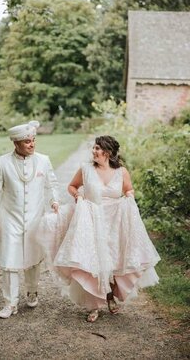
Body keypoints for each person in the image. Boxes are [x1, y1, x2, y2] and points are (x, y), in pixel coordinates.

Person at [36, 136, 160, 322]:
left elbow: (128, 190)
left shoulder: (121, 172)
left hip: (115, 220)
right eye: (93, 148)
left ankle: (110, 299)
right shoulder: (86, 170)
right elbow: (71, 186)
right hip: (92, 218)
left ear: (107, 152)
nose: (93, 151)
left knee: (113, 261)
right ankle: (94, 306)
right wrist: (78, 196)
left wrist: (129, 196)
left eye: (96, 148)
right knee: (93, 263)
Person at [0, 120, 60, 318]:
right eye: (27, 141)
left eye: (33, 140)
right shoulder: (2, 163)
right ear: (16, 143)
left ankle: (32, 291)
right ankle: (10, 304)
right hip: (9, 217)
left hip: (35, 218)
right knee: (9, 260)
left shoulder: (43, 160)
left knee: (33, 259)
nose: (32, 144)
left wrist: (54, 201)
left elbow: (51, 183)